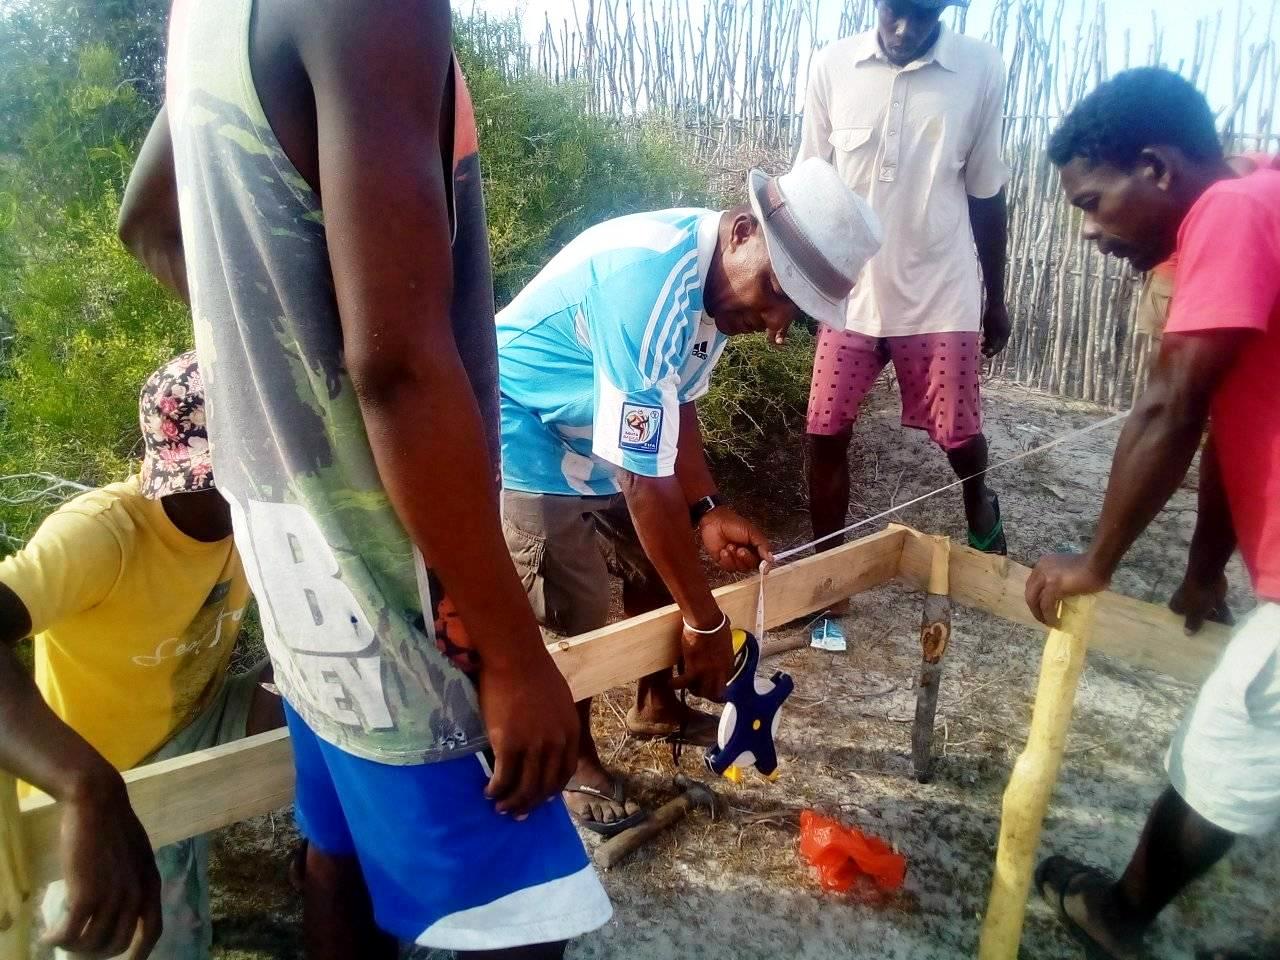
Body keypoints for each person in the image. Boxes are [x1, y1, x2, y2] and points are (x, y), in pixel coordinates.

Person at [118, 1, 610, 957]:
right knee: (514, 930)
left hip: (297, 569)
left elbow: (147, 223)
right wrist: (511, 655)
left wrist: (279, 388)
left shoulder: (210, 17)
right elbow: (397, 366)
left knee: (337, 865)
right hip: (401, 581)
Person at [497, 158, 881, 833]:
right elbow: (643, 480)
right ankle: (576, 755)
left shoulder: (716, 294)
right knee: (574, 597)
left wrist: (707, 510)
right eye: (775, 291)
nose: (774, 324)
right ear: (741, 231)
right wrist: (705, 625)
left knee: (654, 565)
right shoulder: (648, 283)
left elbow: (679, 408)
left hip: (599, 426)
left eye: (794, 311)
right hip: (524, 415)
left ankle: (656, 705)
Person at [1024, 67, 1280, 960]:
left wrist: (1095, 562)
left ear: (1158, 169)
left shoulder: (1231, 215)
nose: (1091, 232)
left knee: (1220, 761)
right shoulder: (1259, 194)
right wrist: (1207, 565)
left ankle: (1120, 915)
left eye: (1095, 203)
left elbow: (1172, 404)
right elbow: (1223, 416)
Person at [0, 353, 281, 960]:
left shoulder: (253, 521)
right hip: (103, 765)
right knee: (132, 936)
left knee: (331, 673)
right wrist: (82, 784)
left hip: (201, 720)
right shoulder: (104, 535)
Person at [795, 0, 1011, 636]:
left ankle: (979, 502)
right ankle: (828, 587)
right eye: (896, 11)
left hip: (939, 289)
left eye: (924, 15)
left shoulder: (981, 67)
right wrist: (806, 288)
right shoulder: (831, 66)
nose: (906, 28)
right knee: (824, 430)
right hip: (852, 292)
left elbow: (987, 191)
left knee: (957, 432)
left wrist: (994, 297)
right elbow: (812, 183)